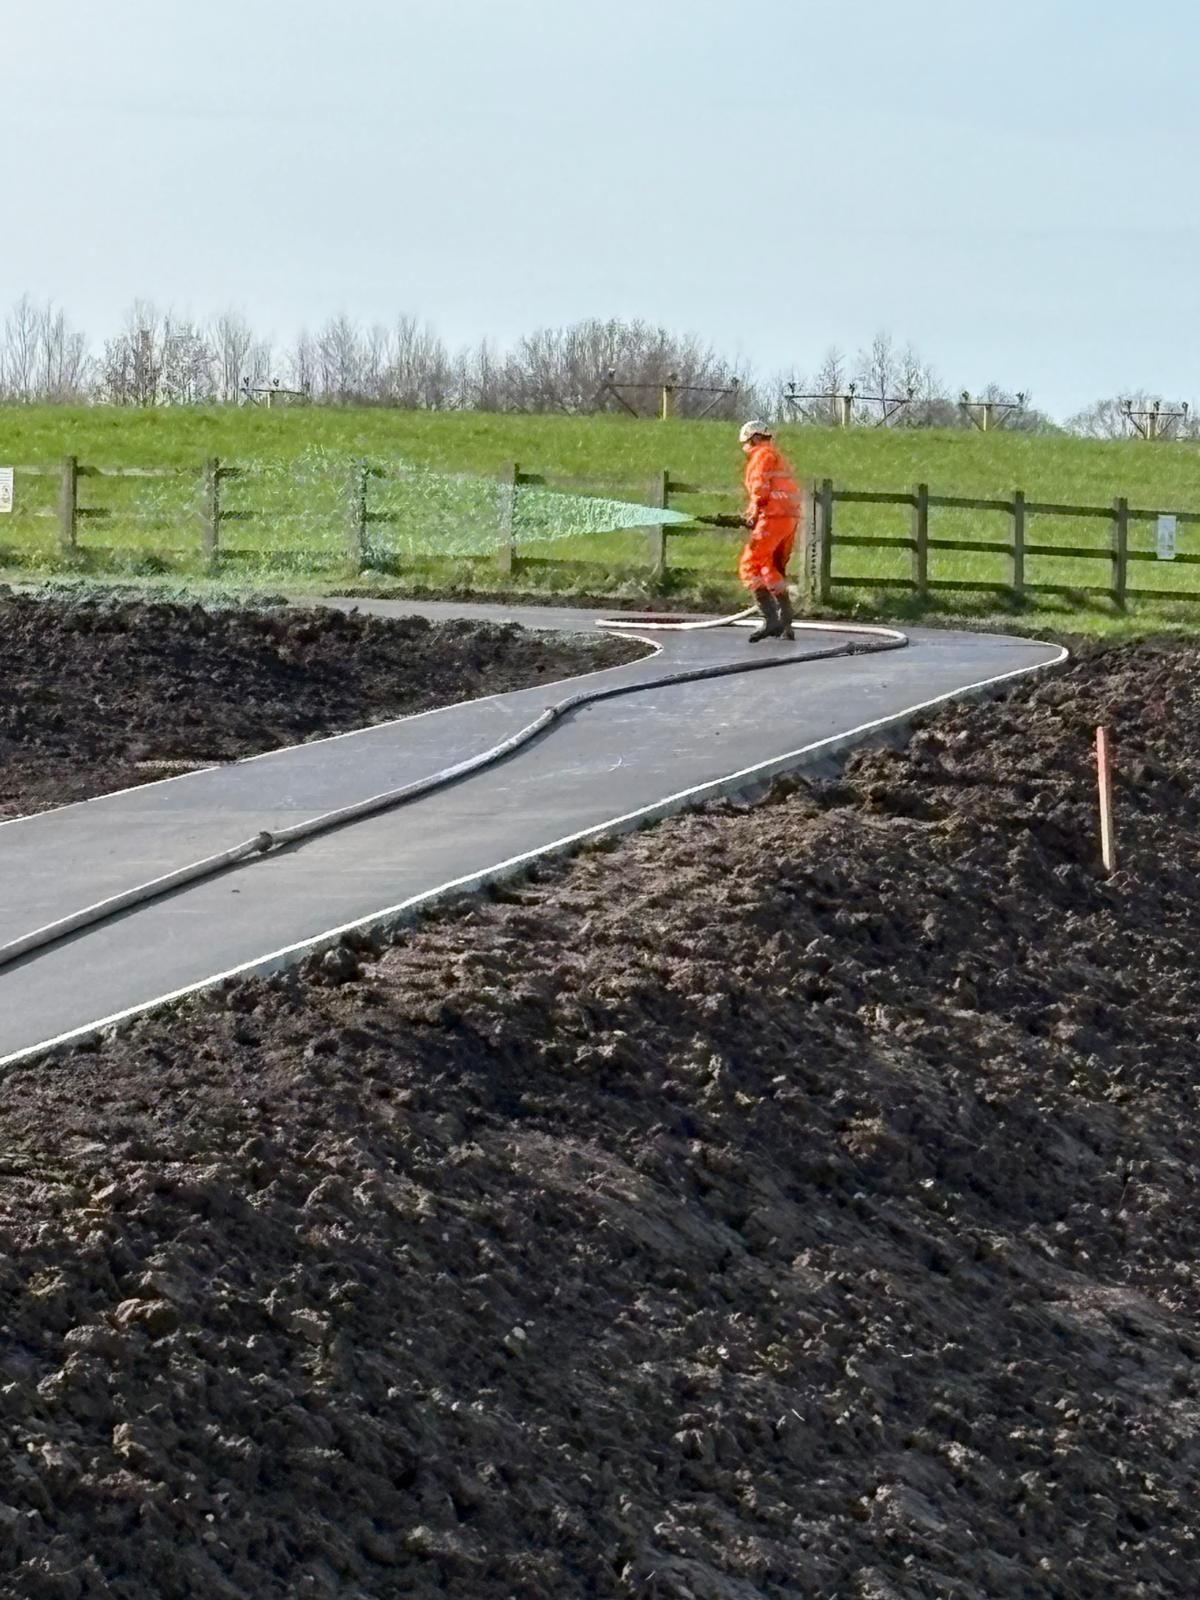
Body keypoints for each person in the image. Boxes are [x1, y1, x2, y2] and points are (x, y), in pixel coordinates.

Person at [737, 420, 799, 641]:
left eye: (745, 444)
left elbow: (760, 489)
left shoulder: (760, 455)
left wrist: (753, 514)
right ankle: (786, 622)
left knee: (749, 567)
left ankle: (771, 620)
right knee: (770, 568)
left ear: (754, 438)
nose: (745, 449)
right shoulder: (778, 457)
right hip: (788, 519)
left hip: (771, 517)